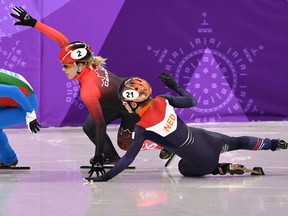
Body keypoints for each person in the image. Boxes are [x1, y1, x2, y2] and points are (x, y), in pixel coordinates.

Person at [10, 6, 172, 173]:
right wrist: (34, 23)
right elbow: (62, 39)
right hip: (116, 98)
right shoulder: (86, 61)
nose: (63, 70)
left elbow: (101, 124)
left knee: (125, 143)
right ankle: (110, 156)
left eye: (66, 66)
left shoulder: (88, 89)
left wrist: (97, 159)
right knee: (89, 127)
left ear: (80, 65)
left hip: (130, 106)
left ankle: (168, 144)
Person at [84, 72, 288, 182]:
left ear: (133, 102)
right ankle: (274, 144)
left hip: (201, 161)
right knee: (237, 142)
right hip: (209, 138)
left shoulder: (141, 126)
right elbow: (191, 101)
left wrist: (106, 177)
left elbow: (128, 157)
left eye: (124, 101)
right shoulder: (163, 100)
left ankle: (217, 168)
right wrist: (174, 86)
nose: (123, 105)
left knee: (182, 167)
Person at [0, 69, 41, 167]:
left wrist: (30, 113)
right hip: (16, 96)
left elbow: (14, 91)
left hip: (25, 104)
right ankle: (9, 159)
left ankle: (9, 158)